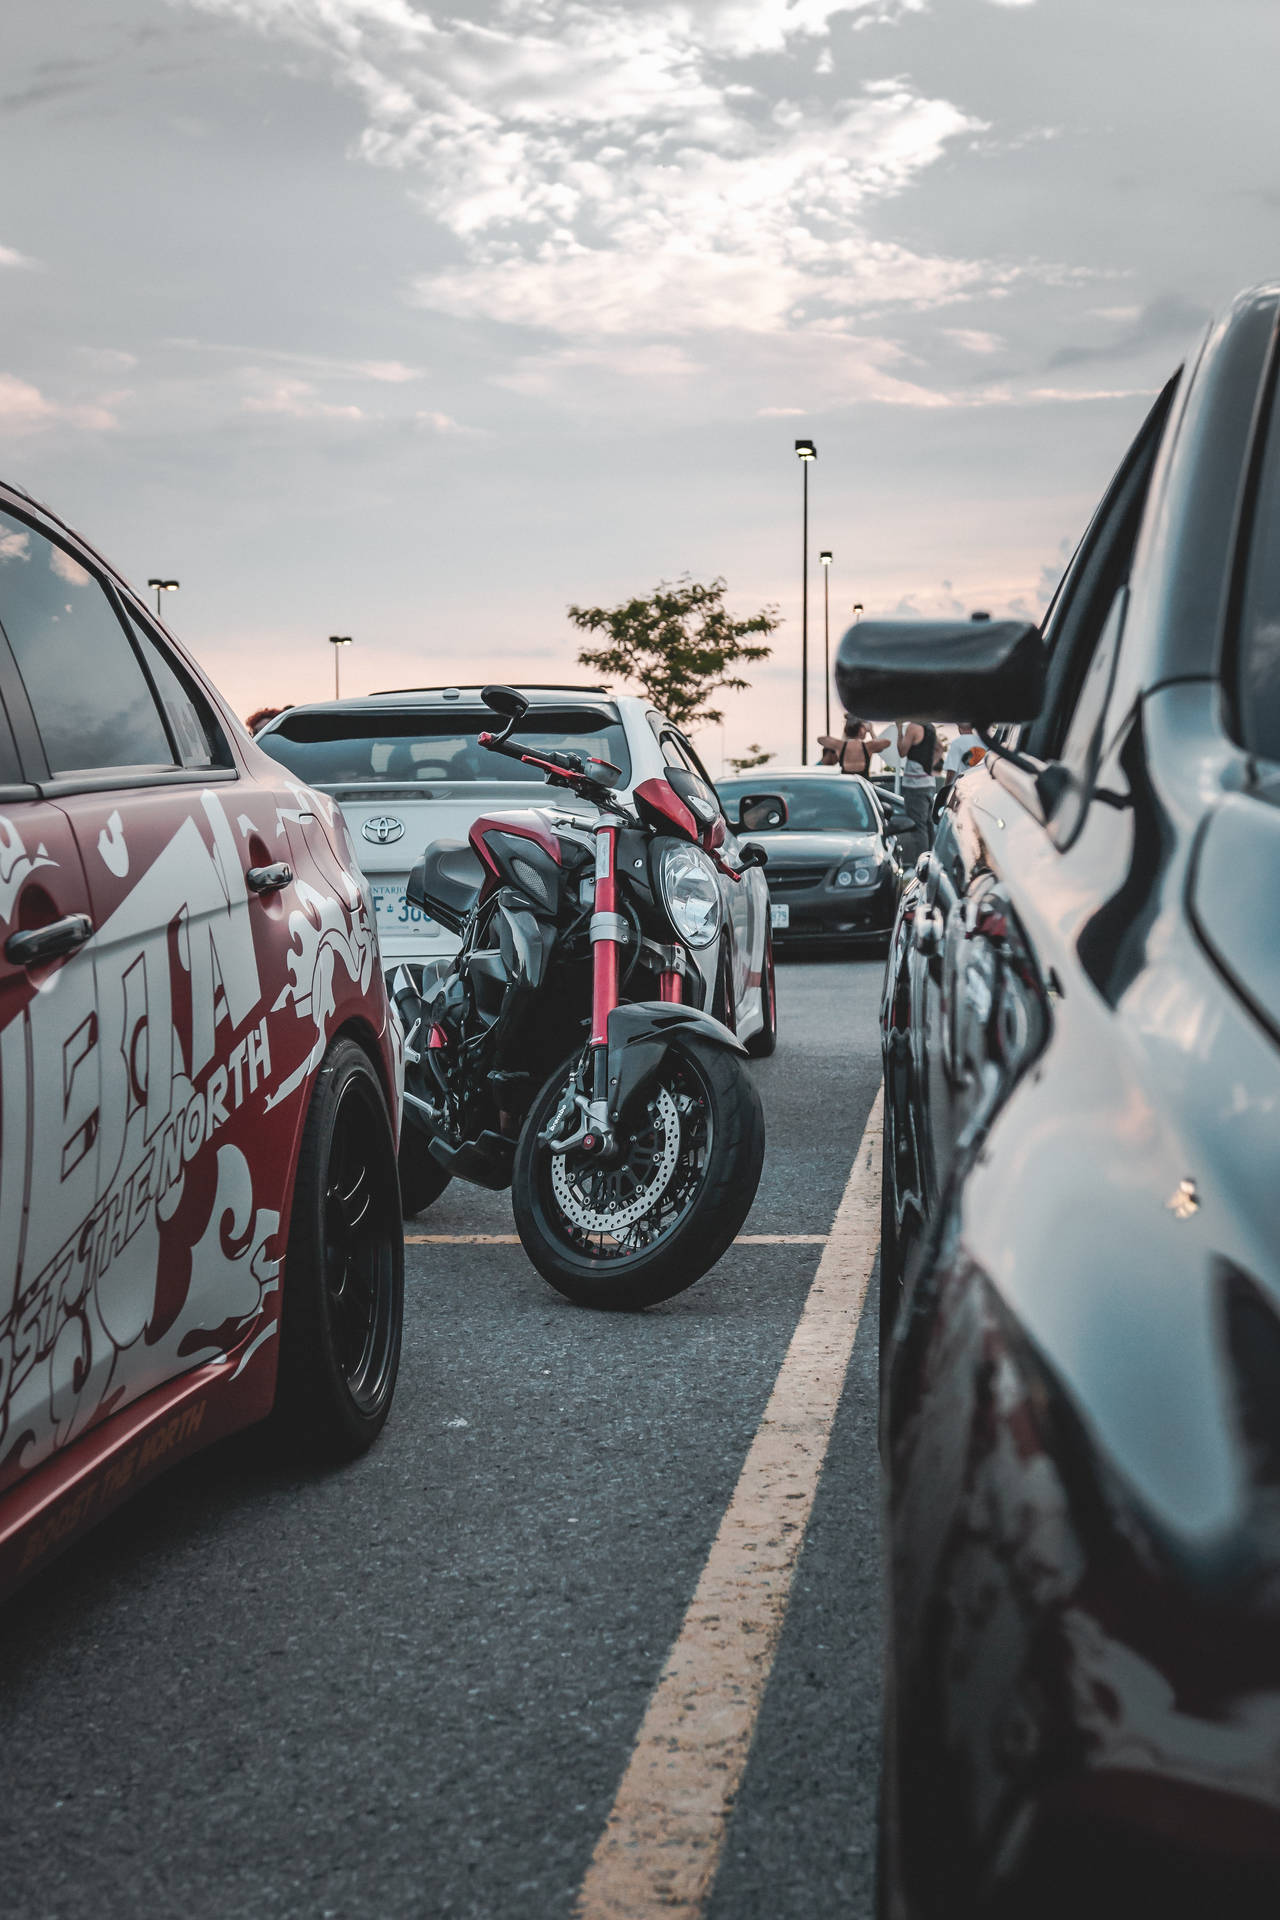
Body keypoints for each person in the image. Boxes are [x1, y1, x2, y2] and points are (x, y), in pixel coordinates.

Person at [895, 717, 938, 863]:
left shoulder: (913, 727)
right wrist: (930, 766)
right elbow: (939, 748)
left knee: (918, 827)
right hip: (928, 782)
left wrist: (899, 730)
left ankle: (922, 864)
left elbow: (902, 751)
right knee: (928, 824)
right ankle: (932, 859)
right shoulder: (930, 727)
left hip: (915, 785)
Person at [816, 714, 891, 776]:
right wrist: (871, 730)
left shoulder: (840, 746)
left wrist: (847, 730)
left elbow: (820, 739)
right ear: (861, 730)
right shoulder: (868, 747)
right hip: (861, 791)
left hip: (846, 788)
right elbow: (887, 743)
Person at [943, 722, 986, 786]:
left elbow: (951, 771)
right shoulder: (983, 742)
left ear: (959, 728)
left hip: (962, 784)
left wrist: (945, 788)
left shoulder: (956, 743)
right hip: (979, 784)